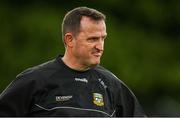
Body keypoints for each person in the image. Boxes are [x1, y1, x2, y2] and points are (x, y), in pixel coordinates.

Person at [0, 6, 146, 117]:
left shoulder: (111, 85)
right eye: (92, 39)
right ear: (69, 39)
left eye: (103, 38)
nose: (100, 46)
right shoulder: (35, 80)